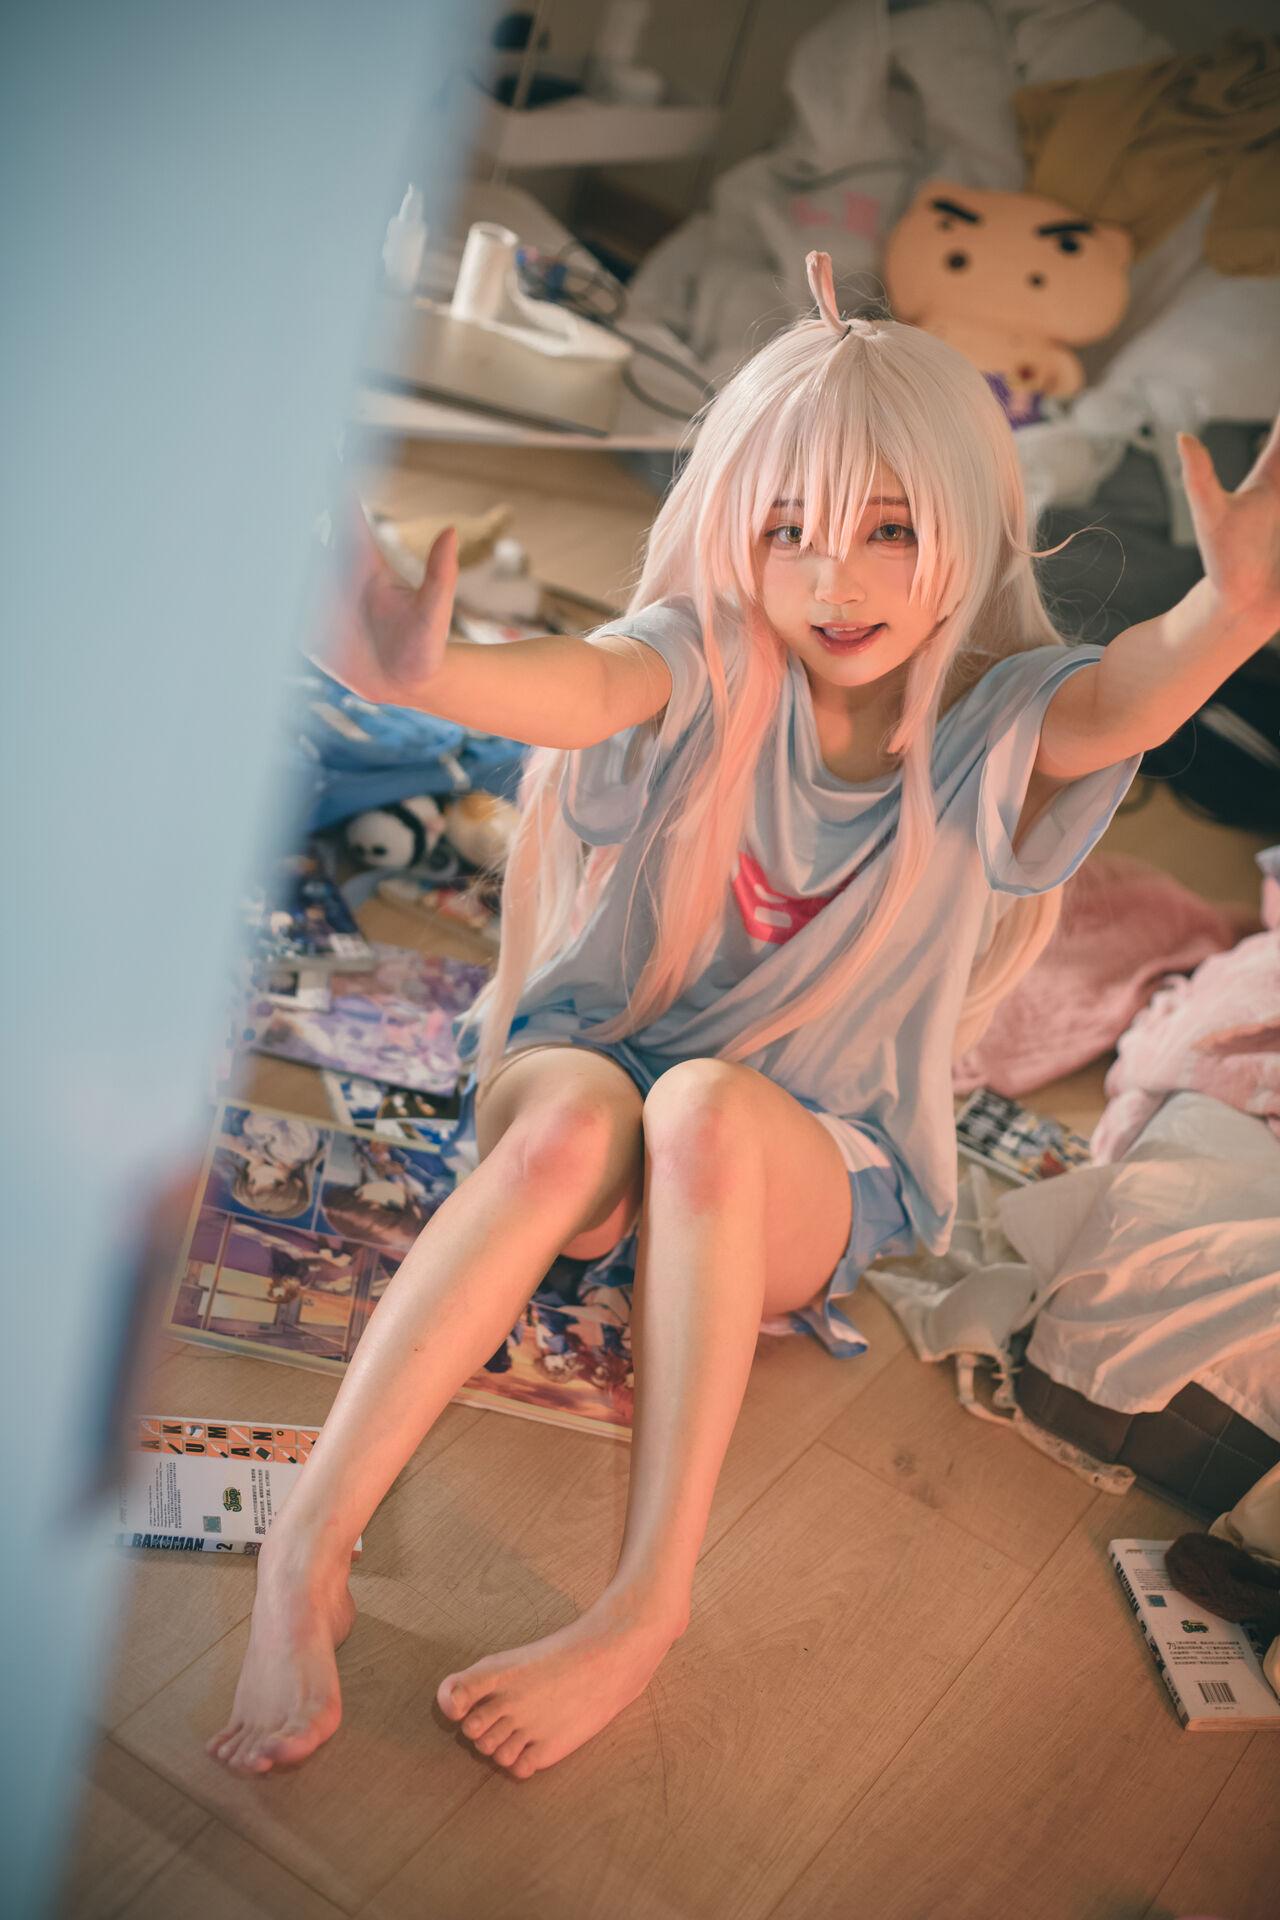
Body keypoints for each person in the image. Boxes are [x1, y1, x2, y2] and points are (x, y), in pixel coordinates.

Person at [207, 249, 1280, 1783]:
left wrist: (1233, 612)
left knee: (705, 1111)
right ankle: (304, 1547)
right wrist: (423, 668)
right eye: (791, 531)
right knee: (580, 1122)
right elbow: (574, 687)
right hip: (592, 1084)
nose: (839, 583)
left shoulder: (1003, 710)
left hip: (804, 1169)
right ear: (735, 533)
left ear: (972, 529)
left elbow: (1133, 697)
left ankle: (640, 1611)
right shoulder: (708, 653)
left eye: (892, 530)